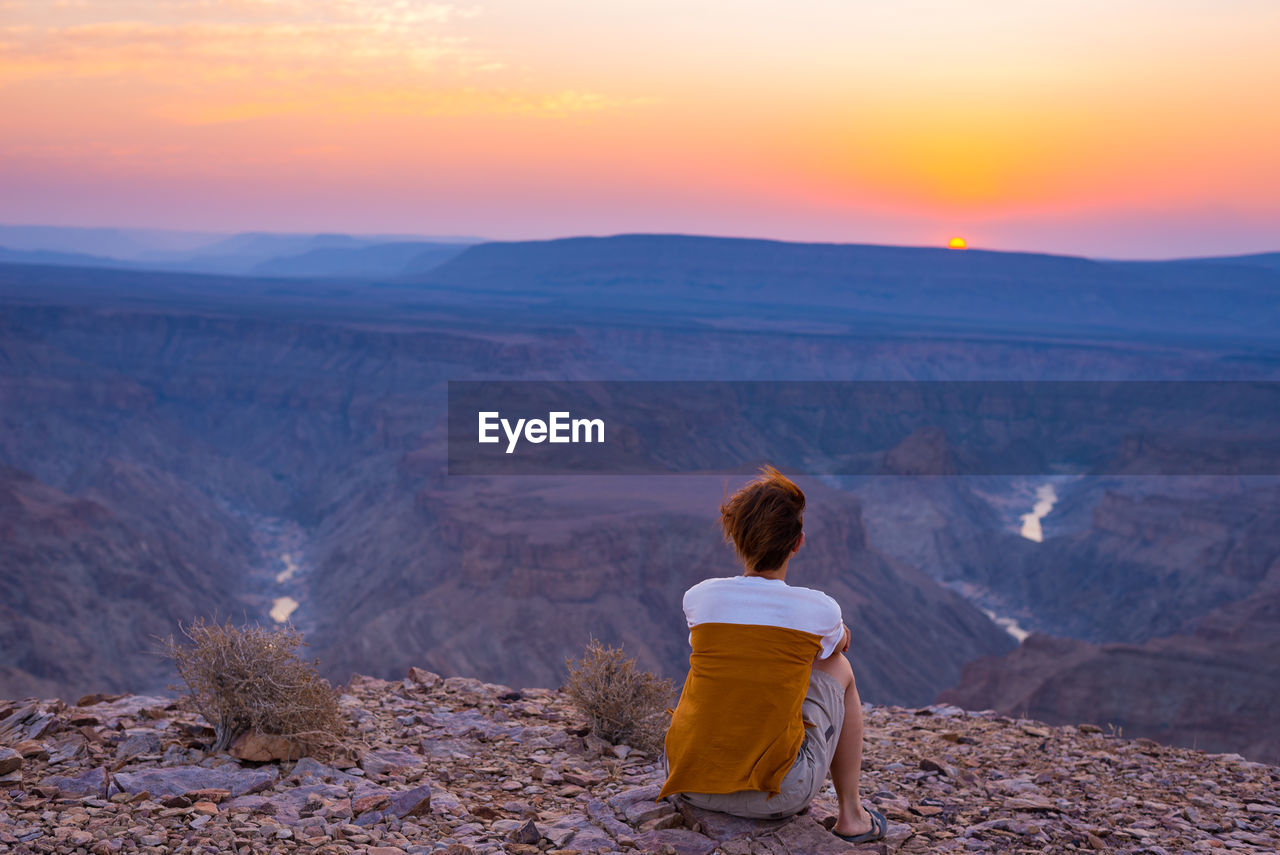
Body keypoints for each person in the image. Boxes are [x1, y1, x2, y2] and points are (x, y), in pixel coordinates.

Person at [659, 466, 887, 844]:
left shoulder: (699, 597)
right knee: (837, 666)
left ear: (735, 538)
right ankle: (852, 816)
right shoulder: (819, 609)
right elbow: (838, 645)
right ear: (797, 543)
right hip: (778, 793)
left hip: (687, 779)